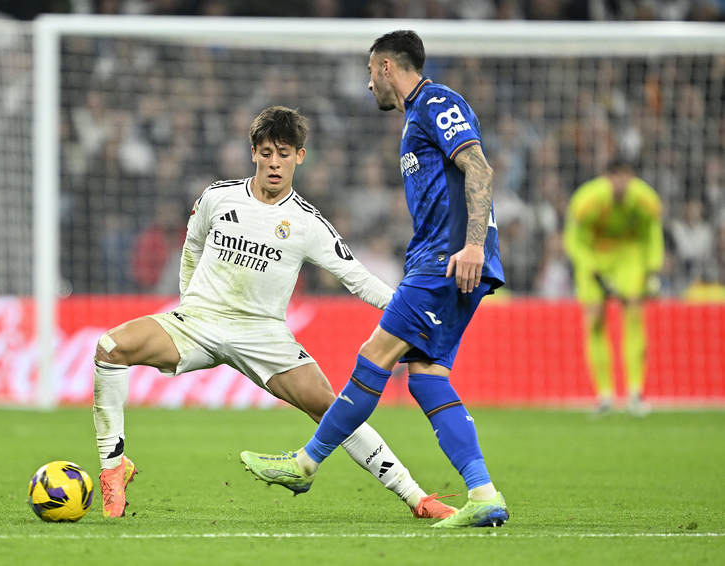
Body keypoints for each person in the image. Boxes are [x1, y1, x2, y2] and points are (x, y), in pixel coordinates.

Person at [92, 106, 456, 521]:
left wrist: (409, 311)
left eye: (284, 153)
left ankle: (417, 498)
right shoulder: (218, 196)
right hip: (198, 322)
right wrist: (188, 303)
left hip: (263, 335)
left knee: (334, 409)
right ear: (254, 153)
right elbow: (192, 246)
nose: (274, 162)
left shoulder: (307, 223)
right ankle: (113, 468)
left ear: (300, 157)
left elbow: (357, 277)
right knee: (109, 347)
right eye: (266, 152)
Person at [240, 31, 509, 529]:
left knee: (373, 356)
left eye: (370, 73)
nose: (368, 85)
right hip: (446, 261)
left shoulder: (436, 102)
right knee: (427, 379)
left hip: (446, 262)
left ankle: (305, 463)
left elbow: (478, 166)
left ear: (387, 67)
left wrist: (472, 245)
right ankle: (484, 493)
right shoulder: (415, 119)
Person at [563, 159, 664, 416]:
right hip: (594, 255)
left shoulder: (645, 199)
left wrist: (652, 267)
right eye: (615, 177)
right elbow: (574, 240)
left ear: (631, 177)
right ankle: (605, 395)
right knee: (595, 319)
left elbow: (652, 233)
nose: (621, 183)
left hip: (628, 255)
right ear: (605, 178)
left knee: (633, 312)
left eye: (625, 176)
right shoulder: (587, 200)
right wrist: (592, 269)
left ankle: (635, 393)